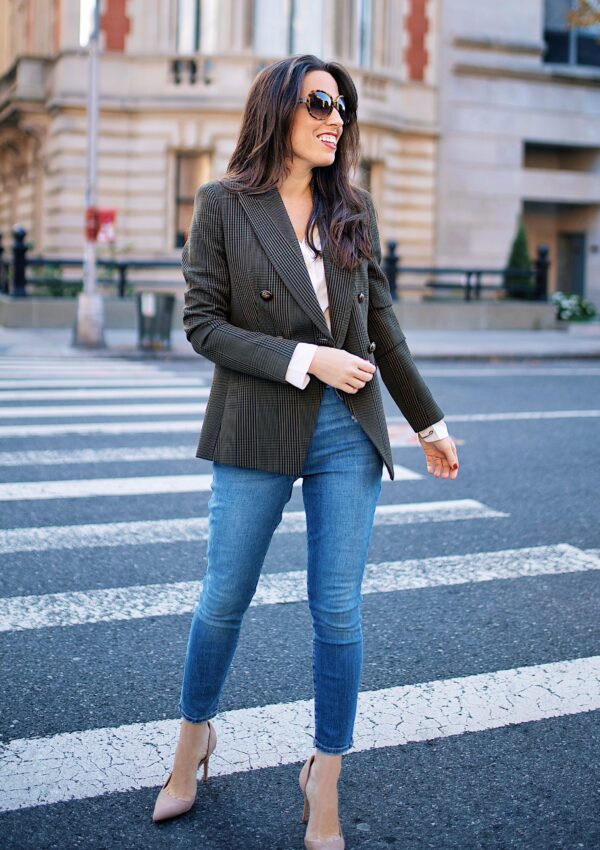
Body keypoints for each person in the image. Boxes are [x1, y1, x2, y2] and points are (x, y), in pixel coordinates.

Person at [152, 54, 459, 848]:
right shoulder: (223, 204)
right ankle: (192, 744)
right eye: (320, 102)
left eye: (342, 107)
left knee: (338, 612)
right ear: (278, 109)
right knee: (224, 597)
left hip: (345, 432)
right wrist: (306, 359)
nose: (336, 119)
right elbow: (203, 324)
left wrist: (429, 423)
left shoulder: (351, 206)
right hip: (257, 419)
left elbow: (383, 326)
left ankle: (325, 774)